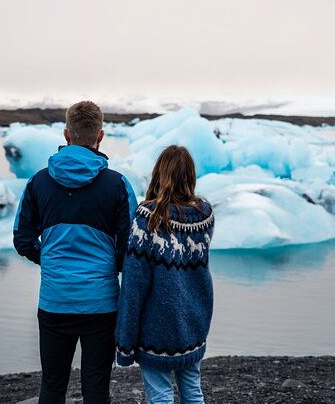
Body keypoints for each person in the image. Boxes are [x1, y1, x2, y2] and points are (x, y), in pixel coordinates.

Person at [13, 101, 137, 404]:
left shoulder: (38, 182)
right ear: (101, 136)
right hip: (101, 303)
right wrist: (108, 267)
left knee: (53, 386)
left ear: (67, 135)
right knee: (96, 389)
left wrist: (52, 261)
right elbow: (130, 246)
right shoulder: (118, 184)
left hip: (55, 301)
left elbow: (23, 239)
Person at [115, 145, 215, 404]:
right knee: (193, 391)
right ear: (190, 176)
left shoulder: (148, 217)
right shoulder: (204, 214)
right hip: (193, 323)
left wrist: (125, 342)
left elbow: (134, 284)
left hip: (155, 330)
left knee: (160, 396)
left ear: (158, 173)